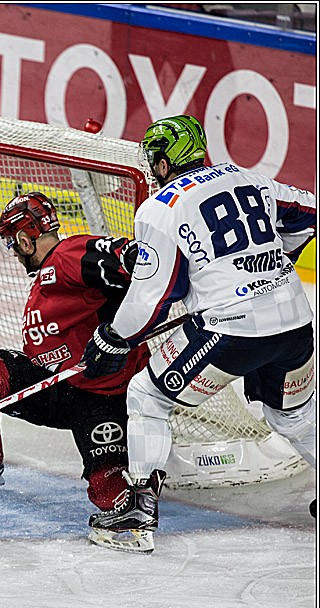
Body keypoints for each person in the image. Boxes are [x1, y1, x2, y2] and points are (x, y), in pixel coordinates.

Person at [82, 114, 317, 554]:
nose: (152, 167)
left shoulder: (161, 207)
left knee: (147, 397)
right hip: (295, 321)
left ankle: (136, 515)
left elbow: (154, 294)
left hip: (233, 329)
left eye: (155, 158)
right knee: (293, 417)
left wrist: (115, 336)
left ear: (166, 160)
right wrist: (269, 263)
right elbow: (309, 215)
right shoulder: (252, 180)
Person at [0, 193, 150, 523]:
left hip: (101, 397)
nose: (14, 254)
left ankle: (139, 486)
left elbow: (132, 257)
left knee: (108, 492)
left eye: (12, 244)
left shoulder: (68, 255)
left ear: (23, 239)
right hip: (53, 384)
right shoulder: (51, 272)